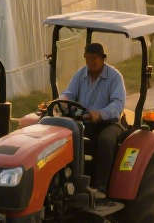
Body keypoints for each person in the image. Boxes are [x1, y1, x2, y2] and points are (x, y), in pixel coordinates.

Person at [59, 42, 126, 193]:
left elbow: (118, 104)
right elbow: (69, 93)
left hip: (109, 122)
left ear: (103, 58)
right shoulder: (80, 75)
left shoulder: (115, 77)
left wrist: (100, 113)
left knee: (105, 141)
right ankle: (71, 180)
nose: (91, 62)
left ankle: (101, 187)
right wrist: (62, 100)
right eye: (88, 58)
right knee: (66, 138)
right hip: (85, 121)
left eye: (95, 58)